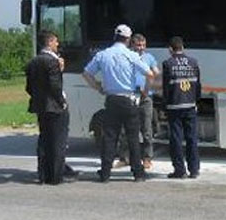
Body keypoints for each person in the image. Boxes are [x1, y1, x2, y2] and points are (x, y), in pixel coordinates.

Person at [82, 24, 154, 182]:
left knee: (110, 137)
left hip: (112, 100)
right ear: (128, 39)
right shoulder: (131, 55)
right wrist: (145, 92)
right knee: (133, 137)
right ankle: (138, 173)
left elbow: (86, 74)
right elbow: (150, 74)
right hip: (129, 100)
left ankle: (105, 173)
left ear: (115, 36)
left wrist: (98, 87)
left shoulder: (103, 55)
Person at [25, 30, 72, 184]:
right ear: (50, 42)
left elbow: (29, 88)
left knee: (44, 140)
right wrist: (62, 101)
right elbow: (55, 86)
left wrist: (39, 98)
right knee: (58, 141)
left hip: (41, 106)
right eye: (56, 41)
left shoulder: (33, 61)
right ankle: (56, 176)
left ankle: (43, 174)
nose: (57, 44)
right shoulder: (53, 61)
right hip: (55, 107)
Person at [115, 33, 160, 170]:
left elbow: (156, 73)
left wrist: (151, 82)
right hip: (129, 95)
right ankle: (124, 157)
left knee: (147, 129)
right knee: (124, 129)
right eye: (138, 45)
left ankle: (147, 158)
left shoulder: (149, 57)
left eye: (143, 45)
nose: (141, 48)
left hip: (145, 97)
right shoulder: (127, 57)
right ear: (132, 45)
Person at [162, 36, 201, 179]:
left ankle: (180, 170)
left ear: (170, 49)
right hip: (190, 105)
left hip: (174, 106)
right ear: (183, 48)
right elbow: (198, 86)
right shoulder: (193, 62)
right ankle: (194, 169)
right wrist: (196, 101)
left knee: (176, 139)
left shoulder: (168, 63)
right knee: (192, 138)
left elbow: (166, 88)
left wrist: (165, 104)